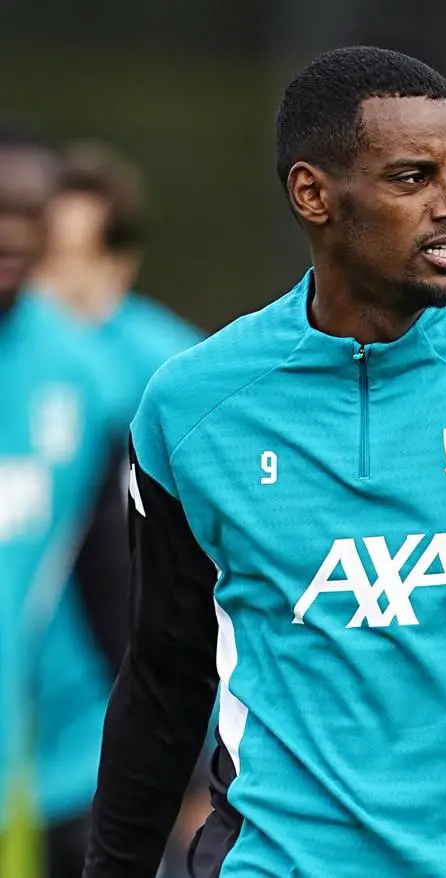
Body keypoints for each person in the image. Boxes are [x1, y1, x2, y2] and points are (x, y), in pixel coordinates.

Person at [84, 45, 446, 878]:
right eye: (412, 179)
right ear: (313, 194)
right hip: (270, 861)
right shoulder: (191, 407)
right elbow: (162, 679)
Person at [28, 141, 208, 878]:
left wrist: (201, 759)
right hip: (48, 720)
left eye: (67, 256)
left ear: (117, 263)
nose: (44, 279)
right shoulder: (26, 365)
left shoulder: (171, 376)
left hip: (131, 731)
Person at [0, 120, 131, 877]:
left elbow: (109, 579)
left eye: (30, 211)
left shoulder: (86, 377)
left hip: (31, 766)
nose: (12, 231)